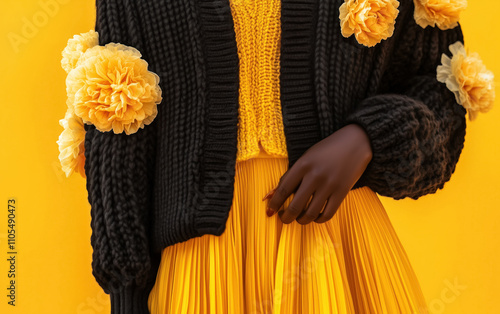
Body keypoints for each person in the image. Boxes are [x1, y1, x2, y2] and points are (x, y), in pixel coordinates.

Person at [61, 0, 493, 313]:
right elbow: (116, 124)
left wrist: (369, 138)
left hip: (340, 247)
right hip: (206, 266)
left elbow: (442, 86)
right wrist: (127, 292)